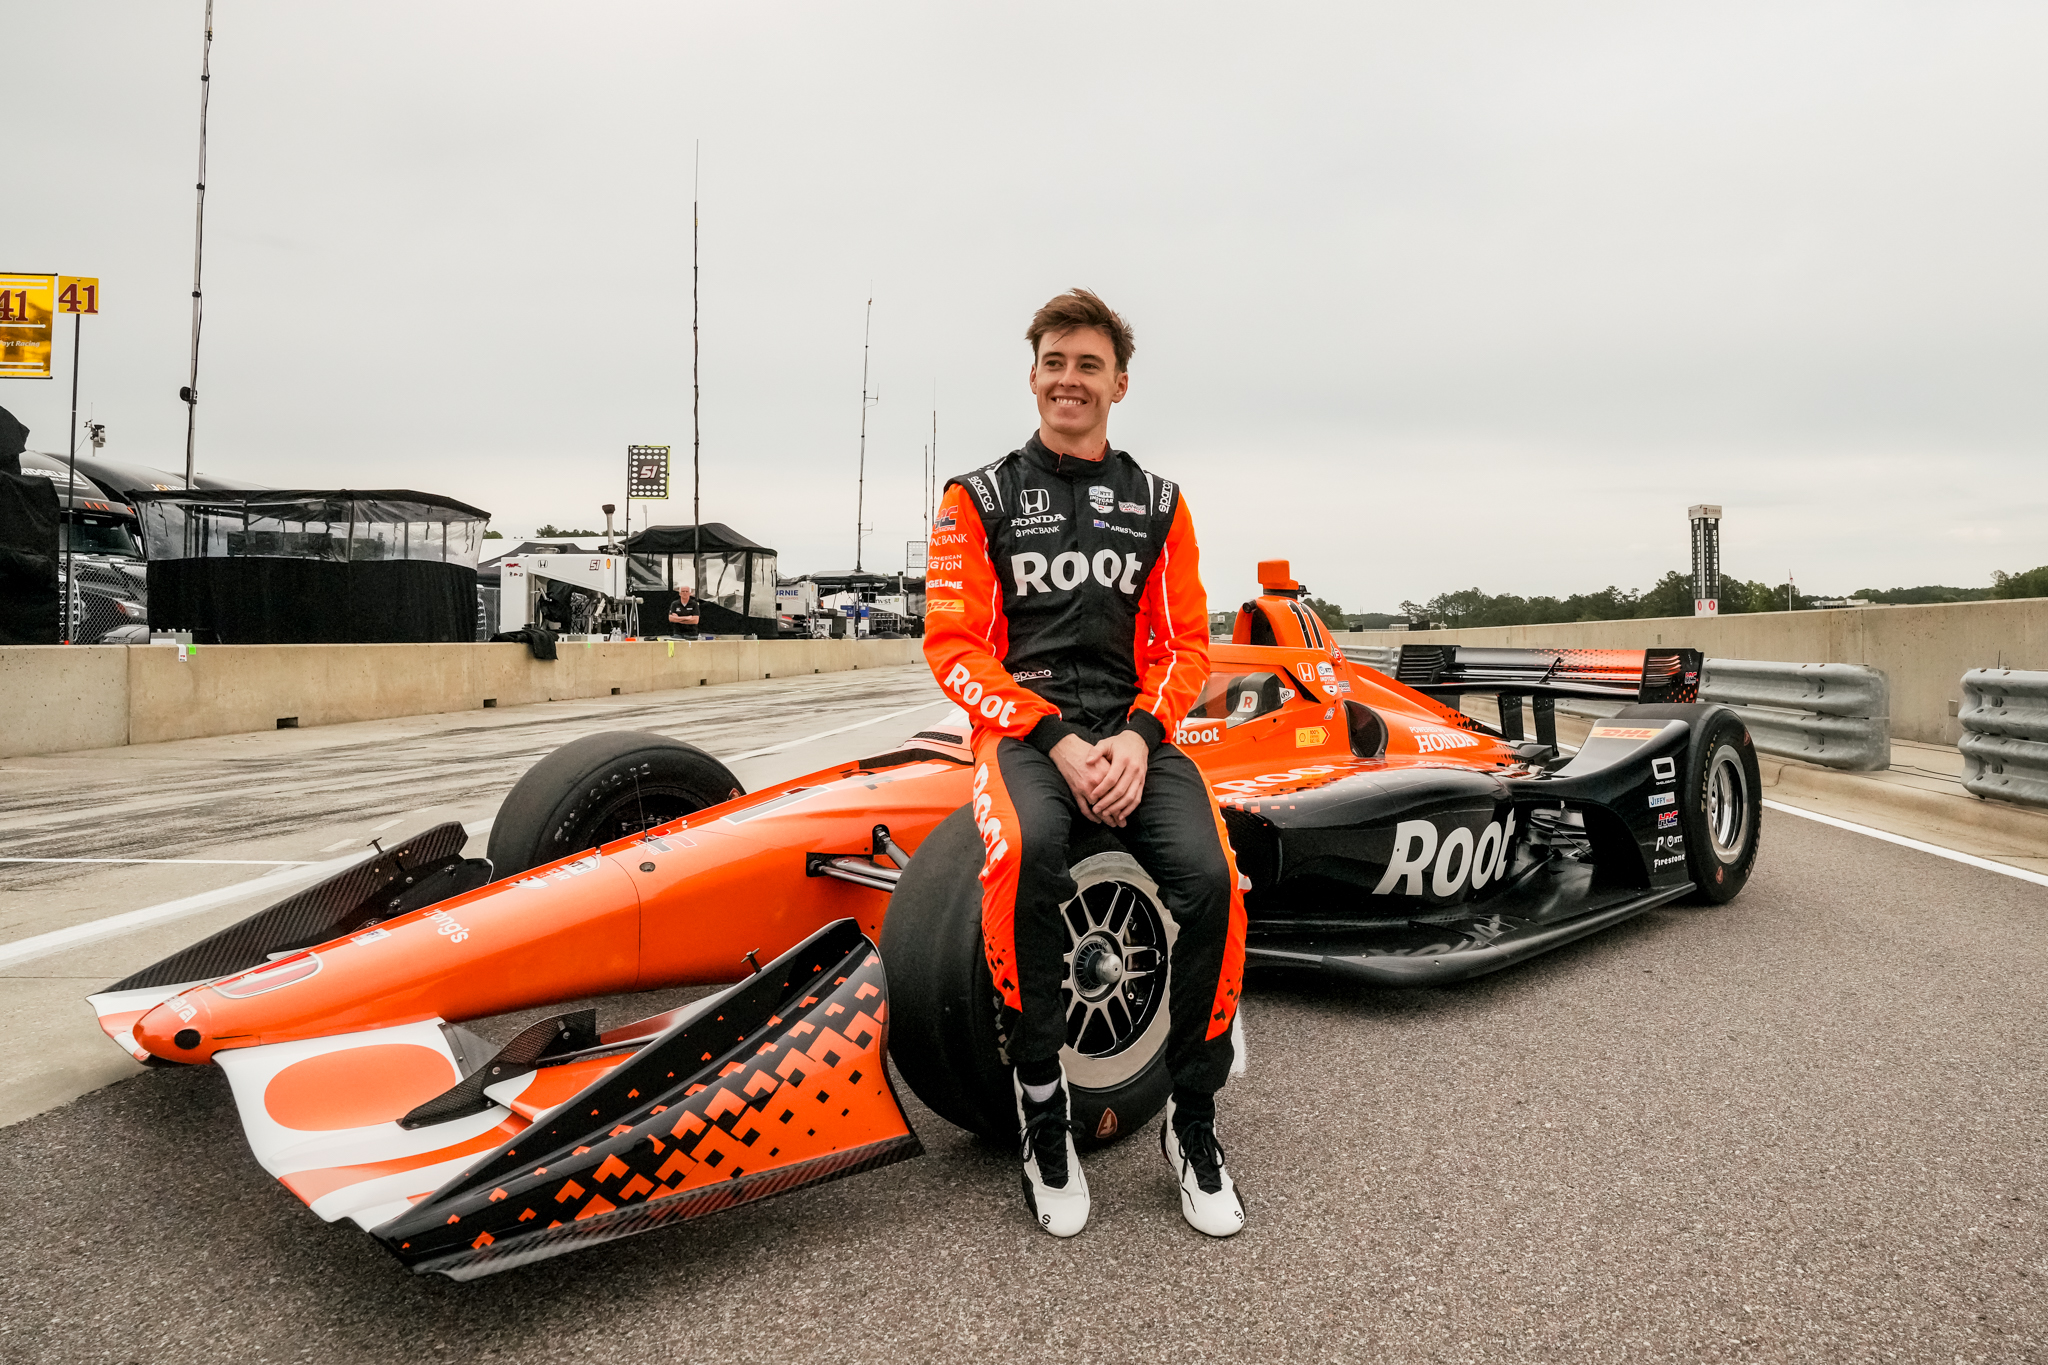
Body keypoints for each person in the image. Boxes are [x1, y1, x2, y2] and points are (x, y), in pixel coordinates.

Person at [921, 288, 1246, 1239]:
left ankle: (1192, 1120)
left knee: (1214, 879)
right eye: (1055, 362)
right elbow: (952, 646)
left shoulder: (1159, 502)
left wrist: (1140, 739)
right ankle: (1040, 1104)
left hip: (1135, 731)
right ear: (1033, 378)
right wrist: (1057, 735)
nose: (1071, 379)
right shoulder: (974, 498)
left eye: (1089, 364)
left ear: (1120, 383)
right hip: (1027, 731)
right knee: (1027, 857)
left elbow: (1190, 646)